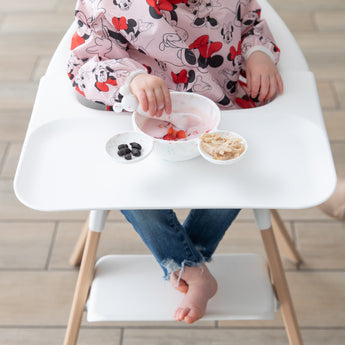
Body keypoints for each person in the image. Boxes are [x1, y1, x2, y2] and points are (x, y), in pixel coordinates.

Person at [67, 0, 283, 323]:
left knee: (242, 171)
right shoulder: (107, 5)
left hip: (218, 115)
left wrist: (258, 53)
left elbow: (249, 19)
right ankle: (193, 272)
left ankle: (186, 256)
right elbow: (83, 62)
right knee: (129, 191)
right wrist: (132, 80)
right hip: (145, 125)